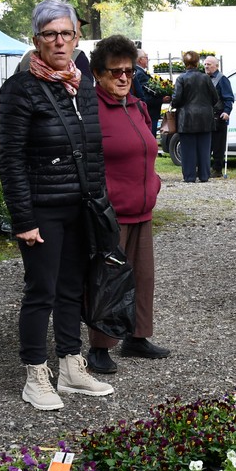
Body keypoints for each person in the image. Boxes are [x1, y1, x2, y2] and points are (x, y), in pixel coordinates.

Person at [0, 0, 115, 411]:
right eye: (51, 34)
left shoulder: (82, 83)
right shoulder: (20, 88)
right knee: (41, 291)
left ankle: (70, 365)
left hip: (80, 205)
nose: (60, 41)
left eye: (67, 33)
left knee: (71, 290)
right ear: (37, 39)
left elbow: (93, 148)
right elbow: (10, 158)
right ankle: (35, 373)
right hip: (42, 208)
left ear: (77, 36)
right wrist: (23, 218)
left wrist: (99, 203)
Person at [84, 36, 170, 374]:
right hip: (109, 215)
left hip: (142, 210)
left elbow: (148, 150)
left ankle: (137, 336)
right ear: (98, 73)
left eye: (129, 71)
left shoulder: (136, 106)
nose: (122, 78)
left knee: (143, 277)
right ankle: (100, 346)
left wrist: (154, 184)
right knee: (108, 281)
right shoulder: (90, 109)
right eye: (114, 72)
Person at [170, 50, 221, 183]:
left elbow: (176, 100)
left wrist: (174, 102)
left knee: (188, 149)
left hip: (186, 119)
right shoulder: (205, 78)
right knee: (204, 150)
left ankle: (189, 176)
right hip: (205, 118)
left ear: (184, 63)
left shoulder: (181, 79)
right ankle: (204, 175)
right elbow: (215, 98)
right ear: (198, 62)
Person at [204, 55, 234, 178]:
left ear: (216, 66)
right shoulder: (203, 78)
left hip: (219, 115)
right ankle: (204, 168)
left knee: (218, 144)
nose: (206, 66)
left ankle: (217, 169)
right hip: (206, 115)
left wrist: (227, 112)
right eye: (205, 64)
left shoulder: (222, 80)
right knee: (207, 144)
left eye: (209, 64)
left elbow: (229, 98)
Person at [134, 50, 166, 134]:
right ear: (140, 60)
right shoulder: (140, 74)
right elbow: (144, 96)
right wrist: (161, 100)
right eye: (146, 58)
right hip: (149, 113)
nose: (147, 60)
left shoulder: (139, 72)